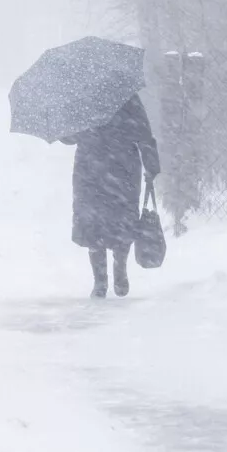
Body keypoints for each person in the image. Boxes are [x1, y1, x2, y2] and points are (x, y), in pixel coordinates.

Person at [60, 93, 160, 298]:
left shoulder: (83, 98)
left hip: (92, 168)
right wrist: (151, 166)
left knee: (94, 222)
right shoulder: (128, 96)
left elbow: (68, 137)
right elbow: (143, 133)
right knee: (118, 219)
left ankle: (102, 279)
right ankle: (116, 271)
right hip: (121, 167)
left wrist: (68, 125)